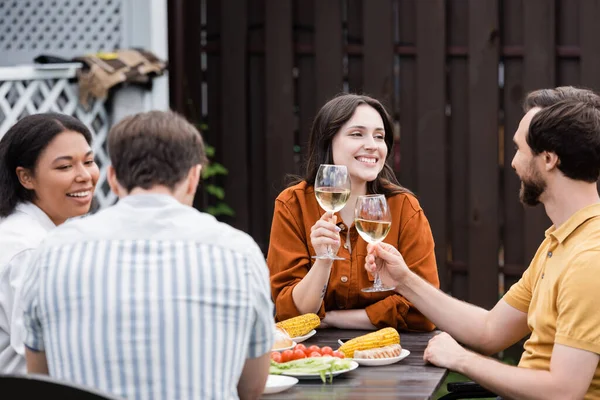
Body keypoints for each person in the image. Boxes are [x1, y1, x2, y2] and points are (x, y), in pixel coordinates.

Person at [21, 111, 274, 400]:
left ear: (113, 178)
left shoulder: (51, 253)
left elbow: (40, 381)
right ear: (193, 178)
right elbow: (251, 388)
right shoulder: (239, 252)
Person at [365, 87, 600, 399]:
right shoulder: (561, 241)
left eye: (519, 149)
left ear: (548, 159)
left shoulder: (589, 259)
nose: (514, 162)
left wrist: (461, 358)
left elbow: (563, 391)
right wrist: (403, 281)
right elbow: (490, 331)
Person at [268, 93, 439, 331]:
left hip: (395, 358)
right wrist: (323, 261)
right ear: (328, 141)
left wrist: (332, 319)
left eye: (379, 136)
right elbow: (289, 314)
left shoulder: (404, 207)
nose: (372, 145)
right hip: (312, 356)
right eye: (357, 134)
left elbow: (426, 312)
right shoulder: (293, 205)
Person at [0, 113, 99, 373]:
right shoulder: (27, 250)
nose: (85, 176)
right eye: (65, 167)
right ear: (26, 177)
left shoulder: (31, 234)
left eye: (88, 161)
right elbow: (46, 352)